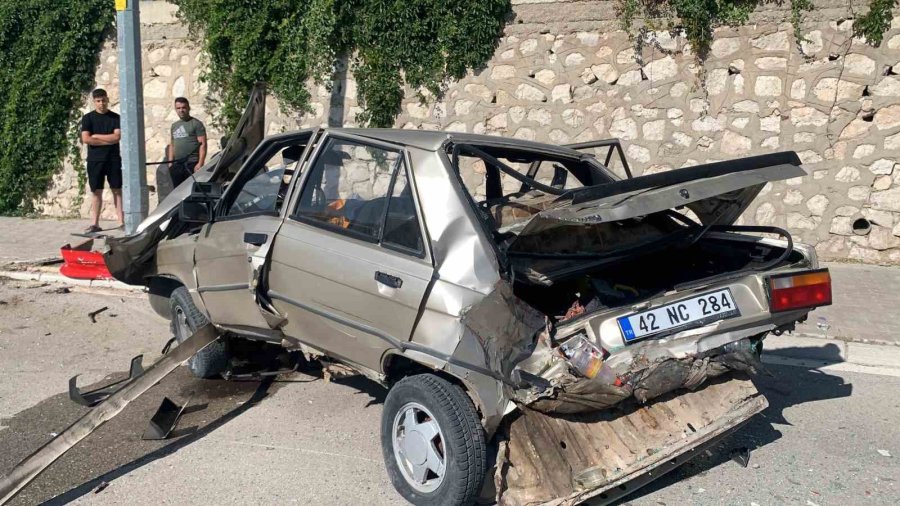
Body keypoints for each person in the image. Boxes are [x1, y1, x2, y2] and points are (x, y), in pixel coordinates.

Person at [80, 88, 123, 234]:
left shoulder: (115, 118)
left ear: (107, 100)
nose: (101, 103)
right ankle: (95, 224)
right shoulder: (88, 119)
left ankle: (121, 222)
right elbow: (86, 139)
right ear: (94, 102)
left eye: (103, 100)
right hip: (95, 160)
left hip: (113, 159)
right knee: (96, 191)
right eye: (98, 101)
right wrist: (108, 139)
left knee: (117, 190)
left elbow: (117, 137)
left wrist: (97, 136)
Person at [167, 97, 207, 188]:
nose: (181, 110)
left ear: (188, 108)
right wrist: (170, 163)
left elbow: (203, 144)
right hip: (177, 165)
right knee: (177, 192)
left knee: (190, 191)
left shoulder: (196, 124)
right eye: (178, 108)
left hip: (191, 164)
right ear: (175, 109)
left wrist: (200, 163)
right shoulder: (174, 125)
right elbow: (172, 145)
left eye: (183, 107)